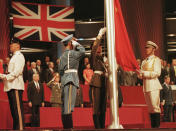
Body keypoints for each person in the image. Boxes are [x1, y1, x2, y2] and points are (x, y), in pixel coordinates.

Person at [58, 34, 85, 129]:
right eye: (72, 42)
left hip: (65, 80)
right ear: (70, 43)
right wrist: (76, 43)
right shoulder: (72, 53)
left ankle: (67, 128)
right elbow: (82, 51)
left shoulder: (62, 56)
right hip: (71, 81)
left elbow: (60, 71)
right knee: (68, 107)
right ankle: (69, 128)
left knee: (65, 107)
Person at [0, 39, 25, 130]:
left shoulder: (19, 56)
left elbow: (16, 72)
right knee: (14, 111)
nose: (10, 46)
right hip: (11, 85)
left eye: (12, 45)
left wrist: (4, 76)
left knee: (17, 111)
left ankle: (20, 129)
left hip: (16, 85)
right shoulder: (14, 56)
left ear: (17, 46)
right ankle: (16, 128)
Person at [137, 41, 162, 128]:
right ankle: (153, 128)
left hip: (153, 85)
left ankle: (156, 127)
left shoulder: (156, 60)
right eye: (146, 48)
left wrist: (144, 73)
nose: (146, 49)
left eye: (148, 48)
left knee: (155, 107)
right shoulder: (144, 62)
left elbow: (157, 73)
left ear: (153, 49)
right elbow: (141, 75)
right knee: (150, 109)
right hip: (146, 86)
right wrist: (139, 74)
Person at [89, 27, 107, 129]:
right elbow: (95, 48)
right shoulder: (94, 56)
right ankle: (97, 127)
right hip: (96, 82)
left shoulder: (102, 59)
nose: (99, 47)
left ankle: (102, 126)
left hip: (104, 82)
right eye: (98, 46)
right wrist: (99, 35)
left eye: (100, 46)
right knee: (96, 107)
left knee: (103, 107)